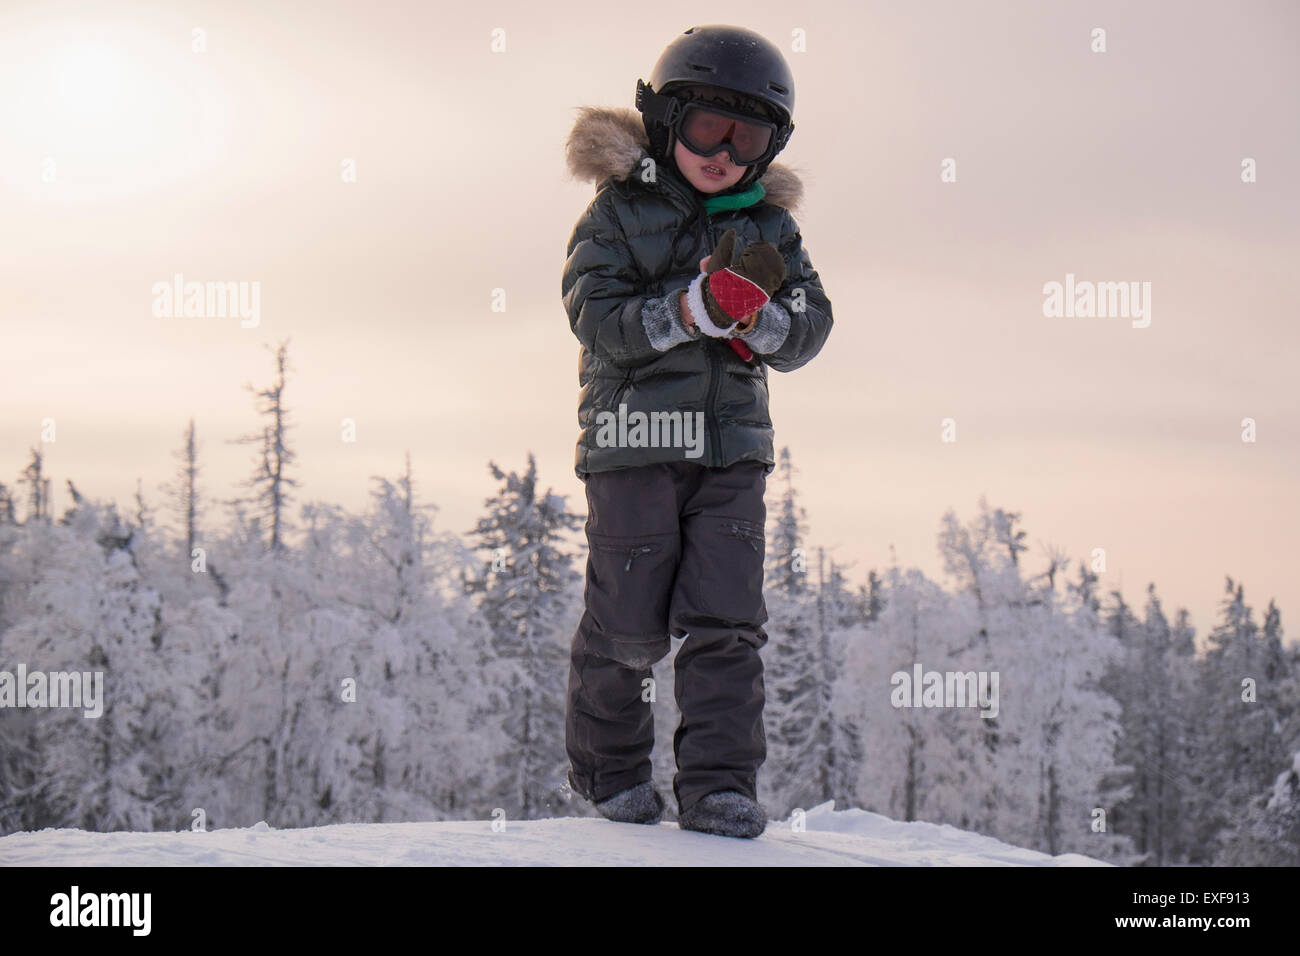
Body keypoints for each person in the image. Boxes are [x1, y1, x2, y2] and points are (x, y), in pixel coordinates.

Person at [561, 24, 833, 838]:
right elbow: (598, 319)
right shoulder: (618, 212)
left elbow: (812, 323)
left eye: (746, 136)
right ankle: (612, 773)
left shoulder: (771, 232)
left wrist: (766, 325)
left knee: (727, 620)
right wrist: (691, 310)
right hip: (635, 449)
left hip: (732, 457)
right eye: (708, 126)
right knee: (629, 621)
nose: (723, 152)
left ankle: (719, 787)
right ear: (667, 117)